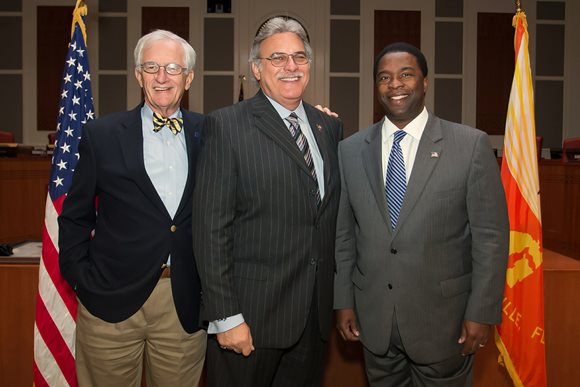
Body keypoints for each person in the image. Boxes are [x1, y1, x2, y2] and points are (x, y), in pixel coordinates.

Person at [334, 42, 509, 386]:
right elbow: (345, 235)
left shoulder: (470, 145)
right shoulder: (350, 150)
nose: (394, 84)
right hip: (375, 322)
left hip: (444, 324)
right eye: (384, 77)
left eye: (406, 74)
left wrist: (481, 312)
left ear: (425, 82)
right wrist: (343, 301)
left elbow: (490, 237)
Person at [192, 16, 343, 387]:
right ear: (257, 70)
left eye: (299, 57)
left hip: (312, 319)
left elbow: (326, 219)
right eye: (277, 58)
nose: (290, 67)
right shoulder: (226, 126)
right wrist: (226, 317)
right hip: (250, 320)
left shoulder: (329, 128)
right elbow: (211, 229)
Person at [58, 29, 206, 386]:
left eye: (172, 67)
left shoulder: (212, 133)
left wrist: (312, 118)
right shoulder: (101, 134)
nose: (161, 76)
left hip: (183, 301)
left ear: (188, 77)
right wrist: (83, 280)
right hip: (109, 301)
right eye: (151, 66)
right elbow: (76, 216)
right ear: (138, 74)